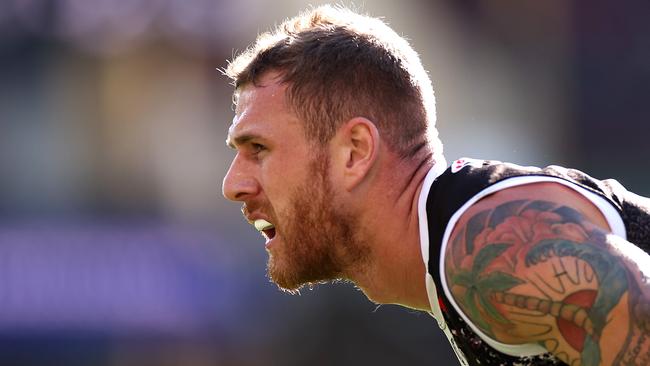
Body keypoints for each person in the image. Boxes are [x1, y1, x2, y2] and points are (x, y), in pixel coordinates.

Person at [221, 5, 650, 366]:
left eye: (258, 148)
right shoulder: (451, 253)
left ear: (354, 152)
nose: (232, 184)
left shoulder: (483, 244)